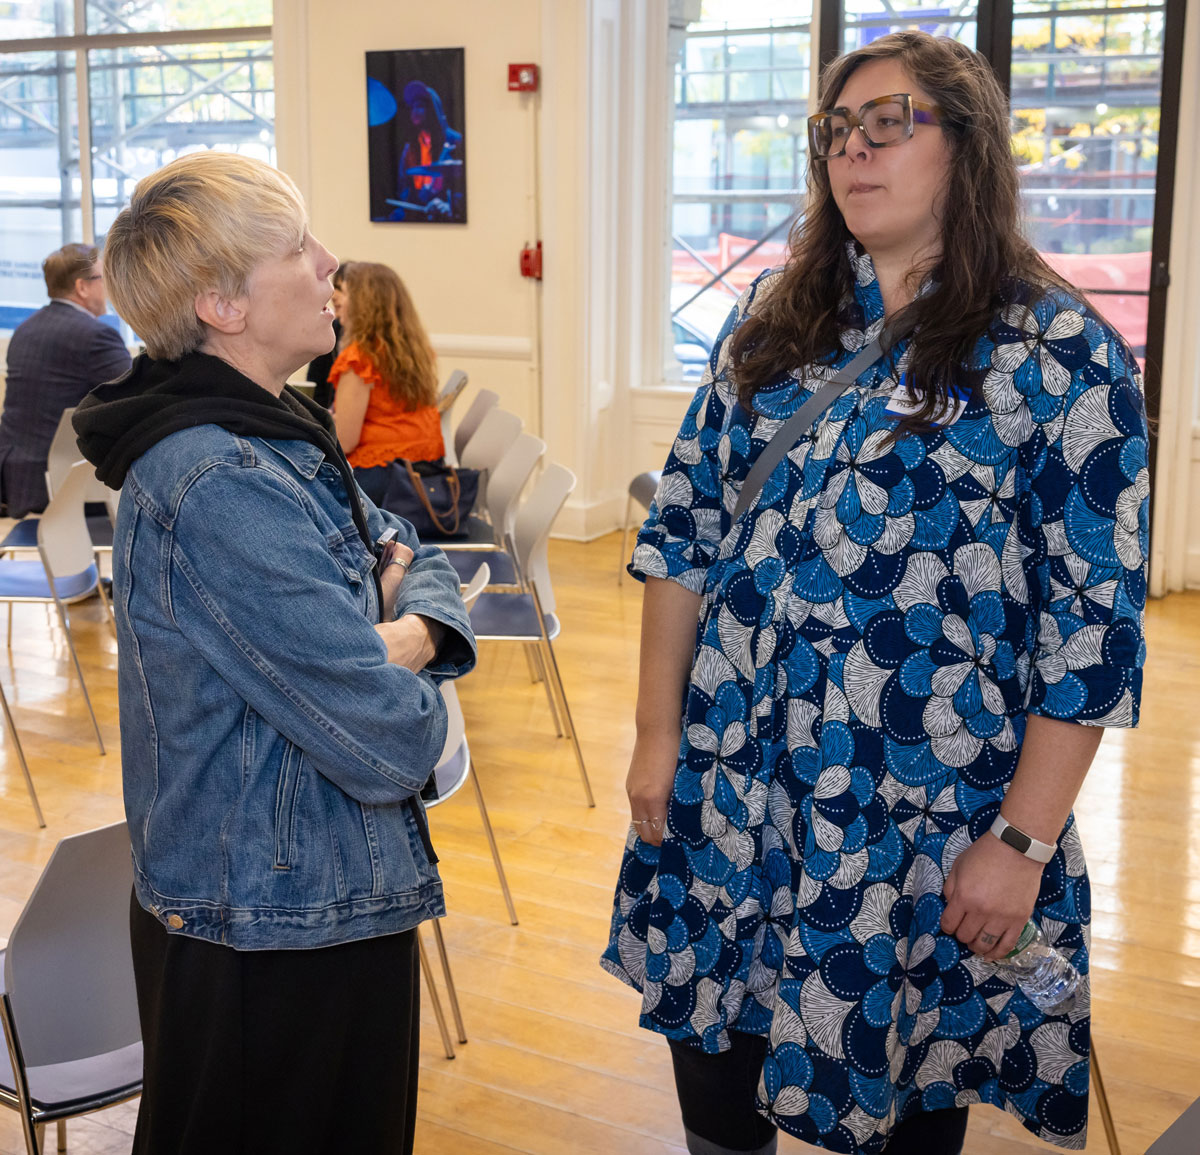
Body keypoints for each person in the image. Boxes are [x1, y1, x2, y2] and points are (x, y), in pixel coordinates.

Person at [602, 31, 1148, 1155]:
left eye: (889, 122)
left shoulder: (1060, 354)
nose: (855, 149)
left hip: (919, 817)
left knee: (901, 1091)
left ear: (971, 149)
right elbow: (683, 534)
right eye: (837, 130)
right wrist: (660, 734)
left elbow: (1092, 637)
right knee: (717, 1066)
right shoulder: (771, 323)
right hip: (736, 783)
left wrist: (1024, 844)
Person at [72, 152, 475, 1155]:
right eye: (297, 247)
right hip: (269, 924)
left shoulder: (280, 429)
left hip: (307, 899)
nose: (330, 259)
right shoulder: (218, 478)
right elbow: (390, 741)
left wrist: (406, 631)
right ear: (221, 302)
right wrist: (411, 653)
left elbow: (406, 551)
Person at [0, 242, 131, 516]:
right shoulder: (96, 336)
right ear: (82, 287)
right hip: (68, 485)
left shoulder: (24, 331)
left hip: (18, 479)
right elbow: (134, 398)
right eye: (103, 277)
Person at [327, 260, 444, 503]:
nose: (336, 300)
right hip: (427, 470)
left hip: (382, 478)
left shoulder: (358, 359)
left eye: (344, 293)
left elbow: (346, 441)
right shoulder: (413, 352)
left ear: (363, 304)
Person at [394, 80, 463, 222]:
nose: (414, 112)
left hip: (445, 211)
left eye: (420, 107)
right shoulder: (411, 148)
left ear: (432, 110)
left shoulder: (454, 141)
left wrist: (449, 204)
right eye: (412, 107)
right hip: (419, 211)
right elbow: (404, 185)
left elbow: (464, 186)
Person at [304, 261, 348, 408]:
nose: (334, 295)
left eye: (341, 289)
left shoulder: (363, 350)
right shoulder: (332, 330)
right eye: (335, 287)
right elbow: (316, 384)